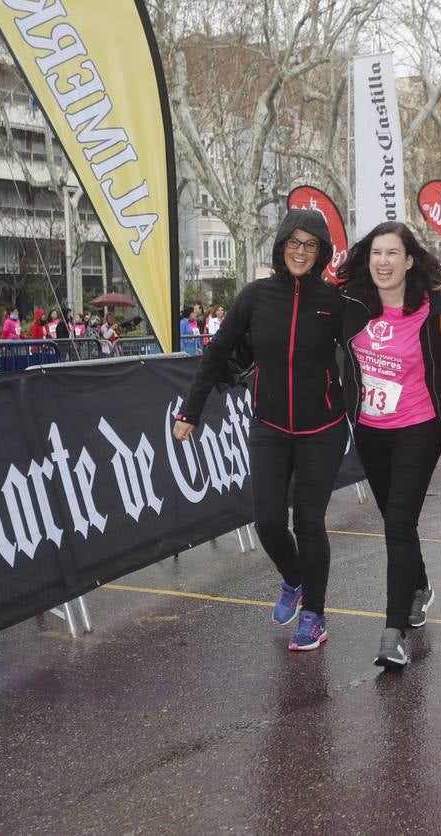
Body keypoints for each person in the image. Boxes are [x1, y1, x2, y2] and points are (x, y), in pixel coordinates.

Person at [174, 209, 346, 652]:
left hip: (322, 428)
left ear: (322, 251)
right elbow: (216, 353)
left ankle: (315, 616)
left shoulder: (334, 300)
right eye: (294, 242)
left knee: (309, 521)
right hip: (269, 424)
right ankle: (294, 580)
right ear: (281, 244)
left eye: (311, 245)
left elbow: (369, 348)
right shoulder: (255, 296)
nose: (301, 251)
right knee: (268, 520)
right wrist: (190, 411)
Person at [336, 222, 441, 670]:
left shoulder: (435, 307)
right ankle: (420, 586)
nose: (383, 262)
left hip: (418, 427)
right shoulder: (352, 306)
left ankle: (393, 633)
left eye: (393, 253)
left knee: (398, 522)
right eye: (376, 254)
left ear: (410, 260)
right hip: (370, 428)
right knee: (395, 520)